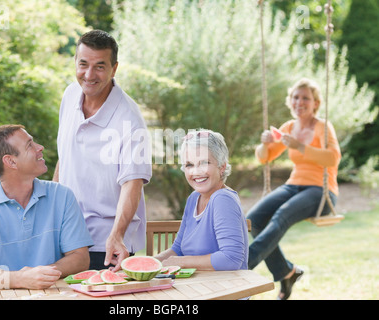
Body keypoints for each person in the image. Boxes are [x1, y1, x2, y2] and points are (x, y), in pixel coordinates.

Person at [53, 30, 152, 271]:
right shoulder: (69, 95)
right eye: (83, 64)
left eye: (99, 66)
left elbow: (133, 184)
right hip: (65, 236)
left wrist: (117, 235)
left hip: (105, 244)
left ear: (114, 69)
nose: (89, 75)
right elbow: (64, 159)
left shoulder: (130, 120)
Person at [0, 125, 93, 290]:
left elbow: (80, 258)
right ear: (11, 161)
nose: (40, 147)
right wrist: (21, 279)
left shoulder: (62, 196)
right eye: (30, 145)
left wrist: (41, 276)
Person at [247, 78, 341, 300]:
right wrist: (264, 143)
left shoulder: (322, 126)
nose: (300, 102)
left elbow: (333, 158)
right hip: (294, 185)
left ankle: (243, 264)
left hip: (321, 190)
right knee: (253, 219)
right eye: (296, 97)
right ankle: (286, 272)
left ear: (315, 103)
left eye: (306, 98)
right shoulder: (289, 127)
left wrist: (300, 146)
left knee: (281, 216)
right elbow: (265, 158)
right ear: (290, 101)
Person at [155, 129, 249, 271]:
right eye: (189, 165)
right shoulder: (194, 198)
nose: (196, 172)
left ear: (221, 167)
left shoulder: (222, 199)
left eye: (204, 163)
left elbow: (231, 259)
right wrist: (148, 262)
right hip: (196, 286)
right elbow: (178, 249)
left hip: (224, 289)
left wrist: (182, 262)